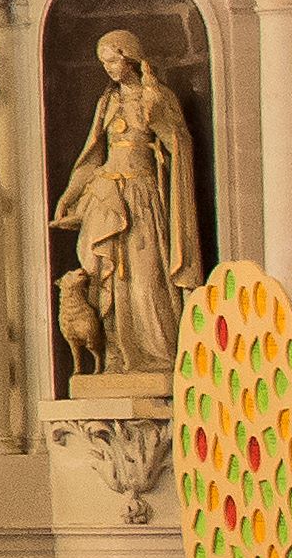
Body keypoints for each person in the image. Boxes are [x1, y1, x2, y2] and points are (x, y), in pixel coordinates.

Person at [49, 26, 205, 380]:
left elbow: (177, 143)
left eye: (112, 60)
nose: (108, 69)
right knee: (109, 283)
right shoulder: (107, 101)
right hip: (106, 196)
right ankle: (118, 356)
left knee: (147, 276)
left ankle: (160, 355)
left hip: (143, 197)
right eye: (103, 63)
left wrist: (159, 116)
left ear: (130, 58)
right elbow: (92, 156)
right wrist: (69, 198)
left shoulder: (159, 95)